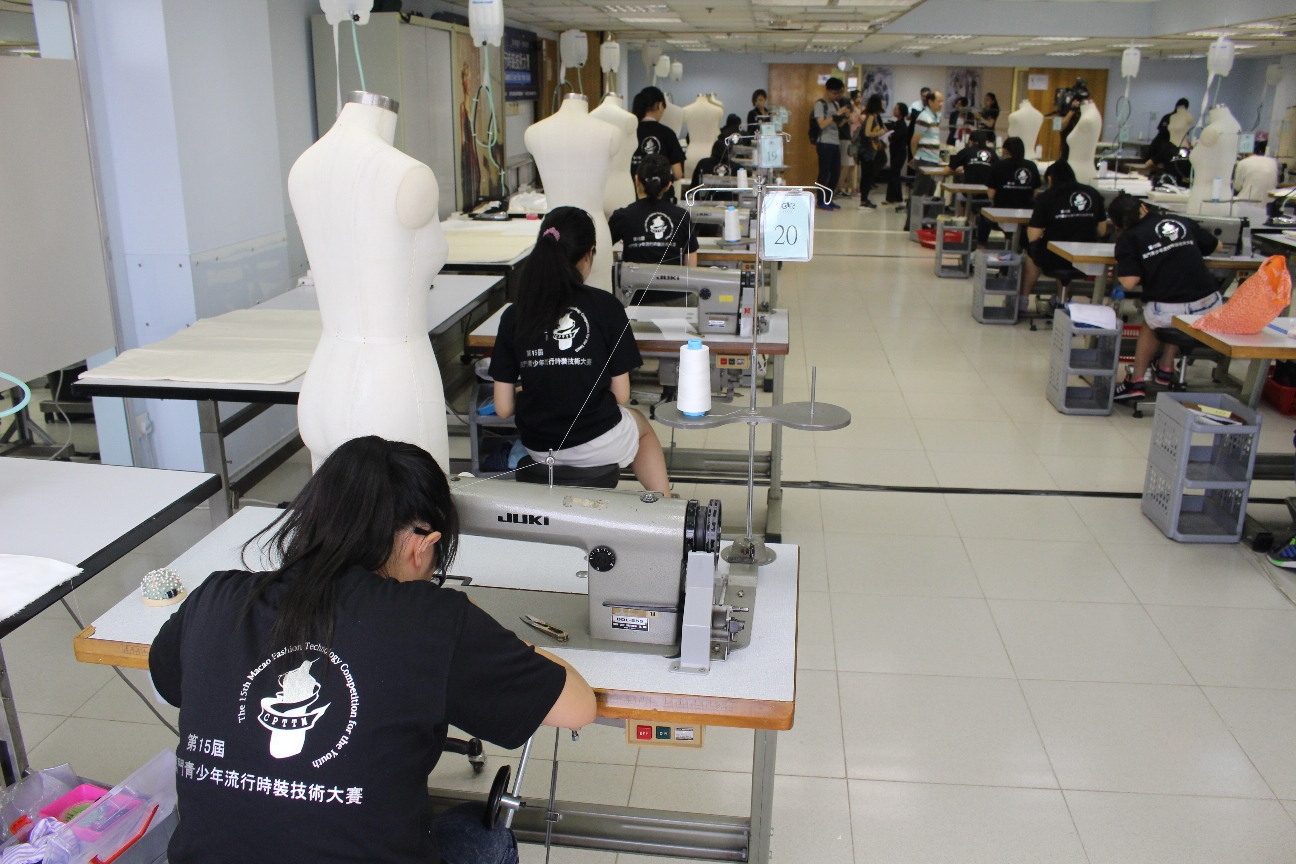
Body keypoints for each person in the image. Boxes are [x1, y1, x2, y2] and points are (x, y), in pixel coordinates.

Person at [150, 434, 598, 864]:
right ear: (423, 545)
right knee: (482, 834)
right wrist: (483, 631)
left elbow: (168, 683)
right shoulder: (431, 618)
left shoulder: (216, 595)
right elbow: (577, 707)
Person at [490, 206, 672, 495]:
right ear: (588, 255)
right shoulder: (606, 306)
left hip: (540, 448)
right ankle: (664, 504)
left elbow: (503, 408)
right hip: (597, 442)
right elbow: (621, 395)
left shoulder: (514, 314)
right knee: (642, 427)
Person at [1109, 194, 1223, 402]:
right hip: (1210, 304)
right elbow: (1218, 246)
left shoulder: (1129, 237)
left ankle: (1135, 382)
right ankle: (1165, 366)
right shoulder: (1178, 220)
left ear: (1118, 225)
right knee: (1178, 313)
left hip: (1169, 310)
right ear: (1144, 207)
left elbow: (1129, 282)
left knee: (1155, 316)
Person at [1019, 160, 1109, 312]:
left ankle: (1023, 299)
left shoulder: (1046, 197)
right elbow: (1102, 231)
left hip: (1055, 257)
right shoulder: (1092, 193)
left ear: (1050, 178)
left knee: (1033, 252)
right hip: (1085, 257)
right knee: (1069, 256)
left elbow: (1034, 235)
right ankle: (1062, 299)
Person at [613, 154, 699, 268]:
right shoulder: (683, 216)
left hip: (634, 279)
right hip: (672, 280)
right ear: (668, 185)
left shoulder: (622, 216)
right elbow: (691, 267)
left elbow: (599, 249)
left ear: (637, 180)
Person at [977, 136, 1041, 246]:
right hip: (1025, 212)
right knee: (1023, 226)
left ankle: (981, 247)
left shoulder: (999, 165)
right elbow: (1035, 192)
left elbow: (991, 194)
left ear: (1005, 150)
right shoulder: (1031, 166)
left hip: (1001, 210)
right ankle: (1025, 249)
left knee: (984, 216)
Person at [631, 86, 685, 184]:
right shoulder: (668, 133)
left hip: (634, 189)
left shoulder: (630, 132)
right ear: (660, 105)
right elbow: (678, 174)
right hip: (661, 191)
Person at [811, 77, 851, 209]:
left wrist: (845, 117)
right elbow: (822, 124)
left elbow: (839, 125)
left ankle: (829, 199)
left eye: (840, 93)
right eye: (835, 93)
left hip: (835, 142)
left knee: (835, 173)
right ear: (828, 90)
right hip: (824, 142)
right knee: (824, 173)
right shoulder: (820, 104)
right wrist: (834, 116)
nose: (837, 96)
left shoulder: (835, 104)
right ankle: (820, 200)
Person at [910, 89, 944, 199]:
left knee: (930, 191)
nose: (941, 104)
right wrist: (915, 157)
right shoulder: (924, 117)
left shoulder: (937, 116)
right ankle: (914, 211)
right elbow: (914, 140)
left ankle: (926, 211)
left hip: (933, 158)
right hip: (924, 158)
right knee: (920, 191)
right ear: (930, 101)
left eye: (942, 101)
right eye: (939, 101)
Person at [855, 94, 887, 209]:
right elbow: (867, 133)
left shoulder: (874, 116)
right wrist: (879, 133)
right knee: (866, 175)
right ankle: (864, 199)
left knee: (867, 175)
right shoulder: (871, 117)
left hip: (870, 150)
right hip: (867, 150)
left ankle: (865, 198)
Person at [885, 101, 910, 206]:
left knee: (894, 174)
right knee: (895, 174)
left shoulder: (901, 124)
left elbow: (896, 137)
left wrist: (890, 135)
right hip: (896, 152)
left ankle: (893, 198)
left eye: (896, 109)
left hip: (899, 153)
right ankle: (896, 197)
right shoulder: (897, 123)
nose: (894, 110)